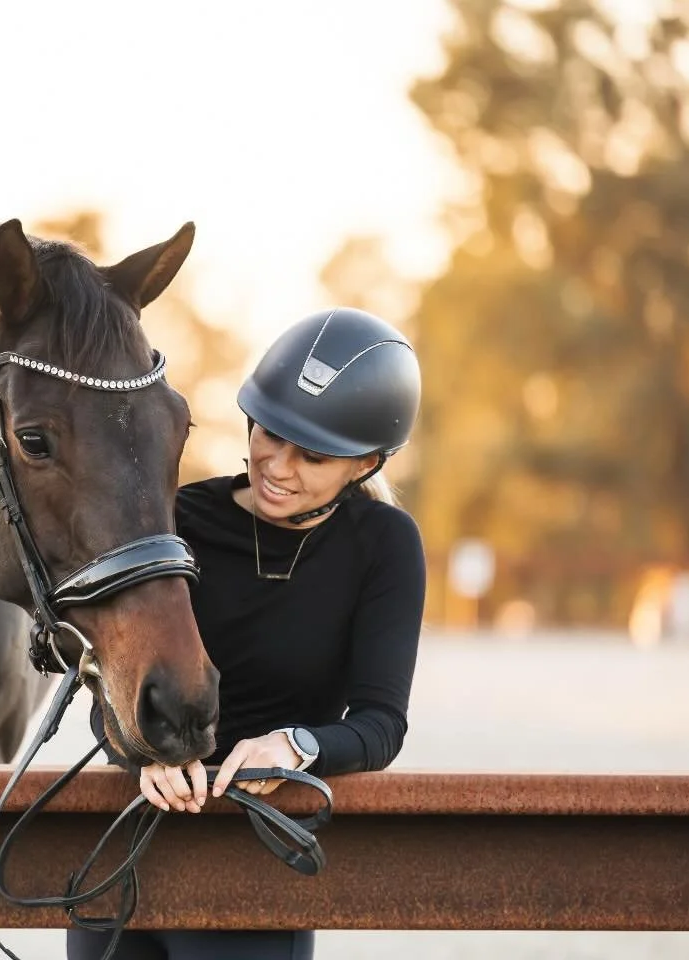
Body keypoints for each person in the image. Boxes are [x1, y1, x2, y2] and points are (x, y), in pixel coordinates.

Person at [69, 306, 428, 960]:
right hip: (122, 860)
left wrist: (295, 746)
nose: (278, 465)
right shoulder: (177, 516)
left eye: (313, 456)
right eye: (269, 432)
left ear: (366, 463)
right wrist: (139, 753)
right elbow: (106, 689)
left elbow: (381, 726)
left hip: (254, 873)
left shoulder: (382, 546)